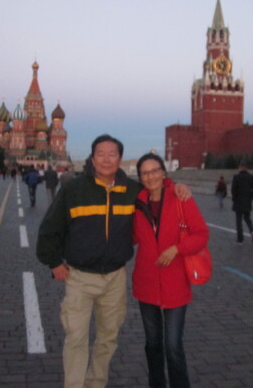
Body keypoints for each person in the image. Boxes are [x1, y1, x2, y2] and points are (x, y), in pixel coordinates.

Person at [36, 134, 190, 388]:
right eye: (101, 154)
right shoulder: (74, 190)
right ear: (92, 158)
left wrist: (176, 185)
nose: (106, 159)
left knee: (108, 339)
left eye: (112, 154)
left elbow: (156, 187)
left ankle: (95, 383)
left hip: (115, 278)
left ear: (119, 158)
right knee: (76, 338)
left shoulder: (132, 191)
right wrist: (54, 262)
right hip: (80, 277)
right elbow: (49, 228)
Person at [133, 153, 208, 388]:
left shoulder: (179, 197)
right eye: (145, 173)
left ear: (164, 172)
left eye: (155, 171)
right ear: (140, 177)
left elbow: (201, 234)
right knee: (153, 344)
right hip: (146, 283)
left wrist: (177, 249)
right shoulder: (137, 203)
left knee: (173, 346)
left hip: (175, 283)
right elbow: (130, 237)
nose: (151, 176)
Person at [231, 161, 253, 244]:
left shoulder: (236, 177)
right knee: (247, 218)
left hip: (238, 202)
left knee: (239, 221)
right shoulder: (251, 177)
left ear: (240, 168)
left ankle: (240, 239)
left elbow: (233, 190)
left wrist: (234, 199)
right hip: (247, 202)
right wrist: (250, 198)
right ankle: (252, 231)